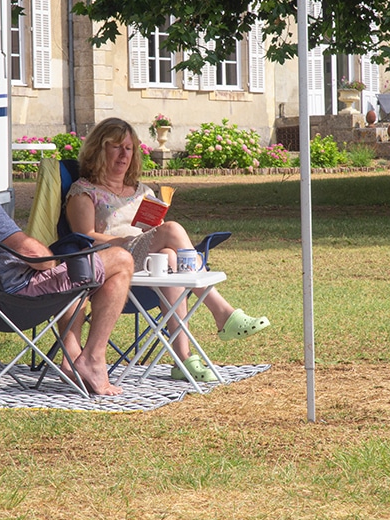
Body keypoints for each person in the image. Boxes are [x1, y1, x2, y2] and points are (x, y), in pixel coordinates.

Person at [0, 114, 134, 396]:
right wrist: (52, 264)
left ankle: (74, 359)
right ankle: (93, 360)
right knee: (120, 260)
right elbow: (33, 252)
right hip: (18, 296)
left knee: (85, 274)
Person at [65, 117, 269, 382]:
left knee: (169, 255)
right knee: (171, 230)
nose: (124, 154)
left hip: (147, 265)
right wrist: (123, 241)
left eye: (129, 148)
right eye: (116, 147)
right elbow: (85, 238)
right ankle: (223, 313)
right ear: (98, 150)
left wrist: (154, 228)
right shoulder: (84, 191)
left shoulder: (142, 191)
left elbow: (153, 229)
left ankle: (182, 359)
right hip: (112, 263)